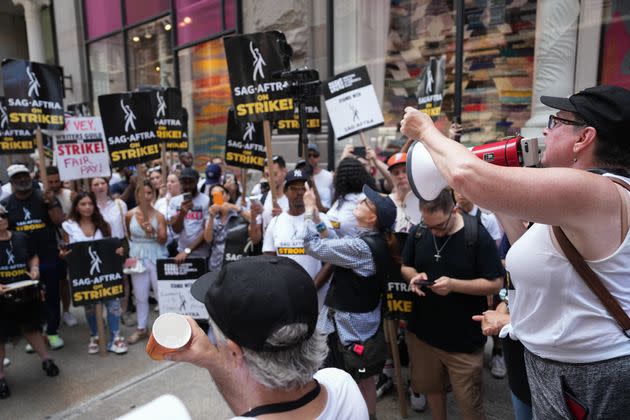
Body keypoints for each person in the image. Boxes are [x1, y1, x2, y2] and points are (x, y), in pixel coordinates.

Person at [400, 85, 630, 418]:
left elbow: (464, 174)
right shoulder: (584, 197)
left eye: (556, 122)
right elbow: (535, 253)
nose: (547, 131)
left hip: (589, 377)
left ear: (584, 138)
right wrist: (499, 196)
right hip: (563, 370)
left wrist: (425, 131)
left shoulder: (595, 189)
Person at [168, 255, 369, 420]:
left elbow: (251, 410)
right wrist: (212, 359)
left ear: (235, 352)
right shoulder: (343, 387)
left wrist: (213, 362)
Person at [400, 188, 504, 419]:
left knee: (470, 403)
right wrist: (414, 277)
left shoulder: (475, 235)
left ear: (454, 210)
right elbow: (405, 266)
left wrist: (454, 285)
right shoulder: (420, 231)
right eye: (429, 226)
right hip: (423, 334)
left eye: (440, 226)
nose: (434, 232)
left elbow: (496, 283)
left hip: (463, 339)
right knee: (431, 389)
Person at [303, 184, 397, 419]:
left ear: (373, 217)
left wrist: (307, 213)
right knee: (364, 379)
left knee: (335, 379)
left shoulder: (361, 246)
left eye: (366, 203)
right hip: (360, 326)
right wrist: (318, 218)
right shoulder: (370, 241)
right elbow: (336, 244)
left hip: (346, 329)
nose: (360, 202)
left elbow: (312, 246)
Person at [1, 164, 66, 351]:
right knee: (29, 301)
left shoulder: (45, 197)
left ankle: (52, 332)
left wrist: (51, 202)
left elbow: (59, 221)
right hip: (23, 263)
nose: (22, 180)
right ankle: (34, 334)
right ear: (11, 182)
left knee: (52, 295)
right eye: (17, 177)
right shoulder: (6, 205)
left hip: (48, 255)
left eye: (24, 176)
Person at [0, 204, 60, 399]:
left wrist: (35, 269)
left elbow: (33, 256)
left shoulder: (20, 237)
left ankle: (46, 360)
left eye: (3, 215)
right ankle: (0, 377)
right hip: (2, 297)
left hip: (25, 292)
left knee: (32, 328)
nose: (1, 219)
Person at [61, 192, 127, 354]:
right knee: (89, 306)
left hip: (106, 272)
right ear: (76, 206)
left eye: (90, 204)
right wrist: (63, 255)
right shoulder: (69, 226)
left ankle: (116, 337)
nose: (87, 207)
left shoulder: (103, 225)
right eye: (83, 204)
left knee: (113, 303)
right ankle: (95, 335)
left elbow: (112, 246)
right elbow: (66, 250)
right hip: (83, 275)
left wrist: (118, 251)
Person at [263, 169, 332, 308]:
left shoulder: (321, 220)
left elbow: (331, 259)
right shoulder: (275, 222)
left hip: (316, 302)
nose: (299, 192)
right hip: (286, 299)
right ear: (286, 191)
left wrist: (312, 287)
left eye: (303, 188)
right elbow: (269, 259)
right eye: (294, 188)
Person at [125, 181, 167, 345]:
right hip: (137, 258)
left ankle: (165, 329)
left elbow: (164, 240)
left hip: (156, 256)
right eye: (142, 193)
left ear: (153, 195)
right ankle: (142, 328)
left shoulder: (159, 216)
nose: (145, 196)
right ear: (136, 195)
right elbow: (129, 235)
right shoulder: (129, 215)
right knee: (140, 295)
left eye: (149, 193)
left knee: (161, 295)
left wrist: (153, 232)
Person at [91, 177, 135, 327]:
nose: (100, 186)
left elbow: (126, 228)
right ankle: (102, 315)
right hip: (98, 246)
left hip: (120, 244)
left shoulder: (119, 204)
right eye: (96, 184)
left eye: (102, 183)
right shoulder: (90, 206)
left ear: (107, 185)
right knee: (101, 281)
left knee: (123, 279)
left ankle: (123, 311)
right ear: (91, 188)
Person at [46, 166, 79, 328]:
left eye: (56, 181)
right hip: (50, 245)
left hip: (68, 242)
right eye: (50, 181)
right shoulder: (41, 196)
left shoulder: (70, 196)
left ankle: (66, 311)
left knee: (64, 281)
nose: (53, 184)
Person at [202, 184, 249, 271]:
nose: (218, 197)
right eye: (214, 196)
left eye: (221, 193)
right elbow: (208, 239)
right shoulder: (211, 216)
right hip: (217, 264)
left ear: (228, 196)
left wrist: (234, 207)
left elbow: (254, 220)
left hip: (236, 262)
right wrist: (211, 217)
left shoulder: (238, 211)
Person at [169, 168, 210, 264]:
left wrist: (187, 251)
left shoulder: (206, 200)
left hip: (201, 254)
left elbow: (206, 231)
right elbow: (176, 229)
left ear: (197, 181)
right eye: (184, 182)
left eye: (190, 182)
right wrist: (182, 213)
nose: (187, 186)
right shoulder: (174, 202)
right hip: (181, 254)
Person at [326, 158, 375, 238]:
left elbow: (340, 224)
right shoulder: (341, 198)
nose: (335, 176)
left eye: (338, 174)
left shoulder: (364, 201)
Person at [387, 152, 421, 233]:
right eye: (396, 173)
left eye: (405, 171)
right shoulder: (386, 203)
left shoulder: (425, 200)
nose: (401, 176)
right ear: (391, 177)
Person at [154, 173, 181, 257]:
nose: (169, 184)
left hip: (181, 244)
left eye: (172, 181)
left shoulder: (184, 201)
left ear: (180, 184)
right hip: (164, 246)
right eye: (167, 181)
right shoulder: (160, 202)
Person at [307, 143, 334, 210]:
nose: (312, 158)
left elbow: (334, 198)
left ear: (319, 157)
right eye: (308, 155)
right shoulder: (300, 176)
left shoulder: (328, 176)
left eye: (315, 155)